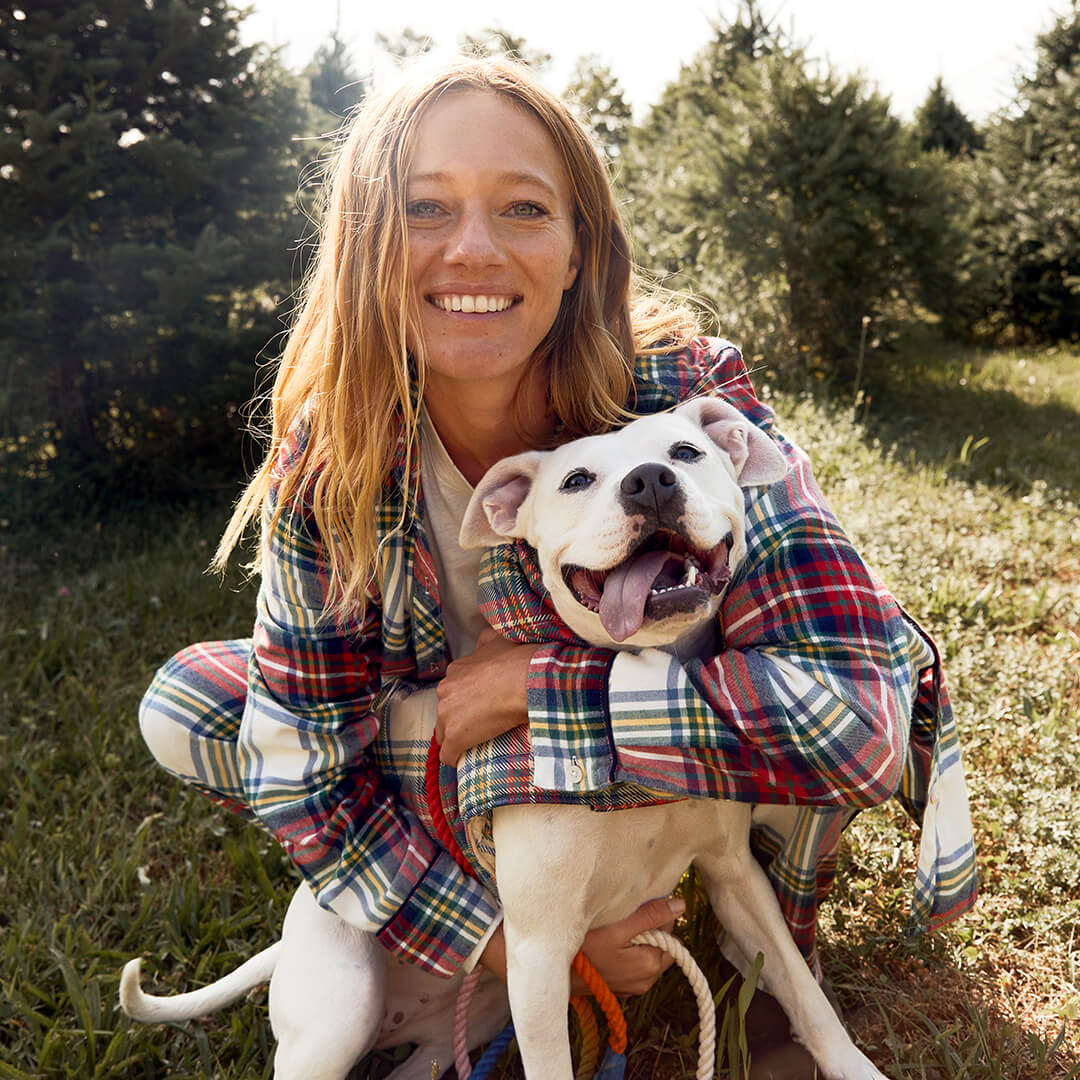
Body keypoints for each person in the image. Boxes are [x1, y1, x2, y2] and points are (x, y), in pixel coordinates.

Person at [138, 56, 976, 1073]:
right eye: (425, 208)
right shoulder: (339, 454)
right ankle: (511, 915)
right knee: (197, 702)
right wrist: (511, 935)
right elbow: (304, 755)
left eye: (525, 208)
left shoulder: (685, 395)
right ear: (366, 247)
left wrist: (546, 686)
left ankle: (760, 951)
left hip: (679, 741)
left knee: (827, 675)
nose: (474, 250)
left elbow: (859, 723)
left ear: (581, 248)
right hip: (472, 770)